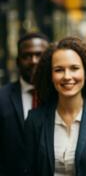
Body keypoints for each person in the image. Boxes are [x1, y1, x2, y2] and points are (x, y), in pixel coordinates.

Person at [25, 37, 86, 176]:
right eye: (59, 70)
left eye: (74, 68)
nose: (67, 76)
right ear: (50, 75)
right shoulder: (35, 119)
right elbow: (29, 170)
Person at [0, 32, 49, 176]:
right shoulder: (2, 98)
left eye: (39, 55)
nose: (33, 61)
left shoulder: (60, 97)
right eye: (27, 56)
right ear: (17, 61)